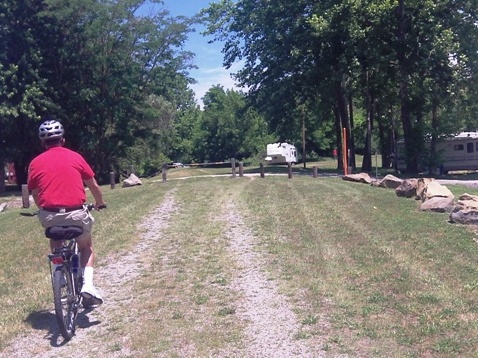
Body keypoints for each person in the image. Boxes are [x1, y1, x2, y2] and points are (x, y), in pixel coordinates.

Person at [28, 119, 106, 306]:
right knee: (86, 247)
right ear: (63, 140)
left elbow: (36, 194)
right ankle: (88, 285)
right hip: (76, 214)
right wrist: (100, 202)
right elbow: (93, 185)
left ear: (42, 143)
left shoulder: (35, 163)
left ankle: (60, 273)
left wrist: (44, 210)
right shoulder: (75, 157)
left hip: (50, 215)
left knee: (56, 237)